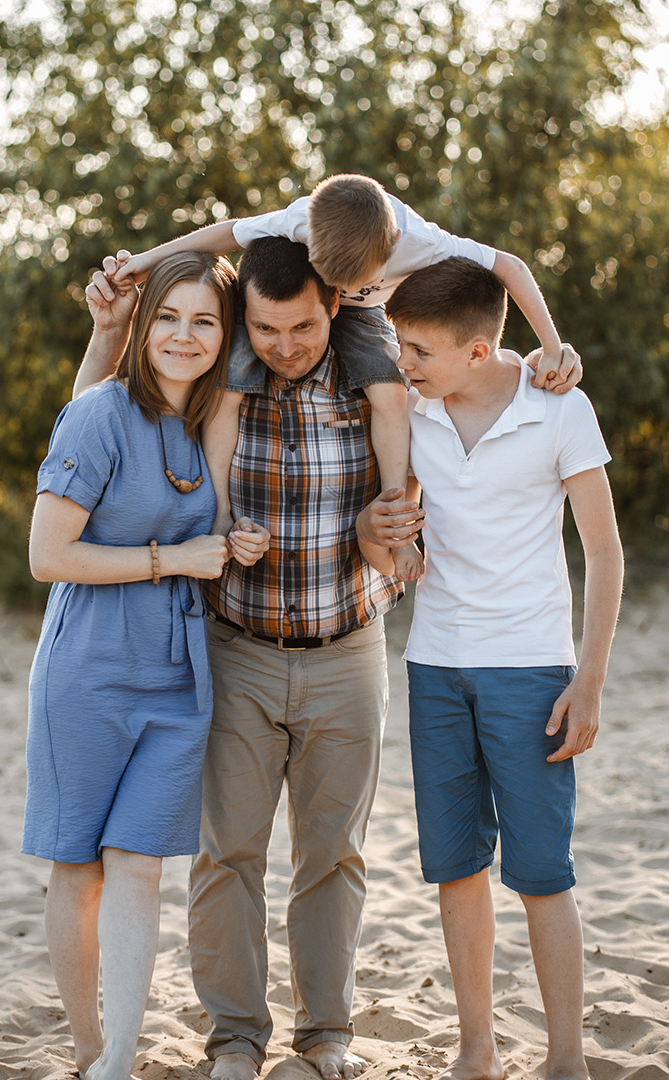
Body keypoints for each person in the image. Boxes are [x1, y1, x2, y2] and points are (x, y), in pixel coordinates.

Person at [78, 238, 582, 1080]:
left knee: (332, 856)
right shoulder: (214, 384)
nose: (285, 344)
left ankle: (325, 1038)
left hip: (350, 650)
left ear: (336, 306)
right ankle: (235, 1039)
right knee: (228, 853)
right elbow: (97, 423)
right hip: (235, 646)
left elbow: (429, 481)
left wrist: (546, 359)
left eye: (303, 326)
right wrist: (109, 329)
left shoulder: (389, 382)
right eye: (268, 329)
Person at [356, 257, 624, 1080]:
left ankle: (567, 1059)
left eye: (419, 350)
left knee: (543, 873)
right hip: (435, 665)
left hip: (533, 670)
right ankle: (478, 1048)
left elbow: (606, 555)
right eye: (399, 345)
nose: (402, 362)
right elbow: (381, 539)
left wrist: (590, 681)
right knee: (456, 868)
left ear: (477, 352)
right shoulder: (410, 412)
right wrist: (381, 534)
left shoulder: (559, 408)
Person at [23, 251, 270, 1080]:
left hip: (179, 677)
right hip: (87, 670)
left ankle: (120, 1058)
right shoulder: (98, 414)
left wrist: (232, 546)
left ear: (225, 335)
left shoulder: (211, 423)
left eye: (205, 321)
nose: (184, 335)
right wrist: (176, 558)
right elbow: (48, 556)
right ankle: (90, 1048)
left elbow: (208, 538)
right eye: (168, 315)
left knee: (139, 862)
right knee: (79, 862)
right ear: (142, 321)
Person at [104, 174, 578, 581]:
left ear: (390, 248)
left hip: (367, 318)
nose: (348, 289)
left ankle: (397, 527)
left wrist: (553, 346)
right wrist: (148, 260)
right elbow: (226, 234)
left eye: (357, 278)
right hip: (300, 307)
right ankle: (221, 511)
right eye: (340, 279)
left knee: (391, 391)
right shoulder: (297, 218)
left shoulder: (423, 240)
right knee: (230, 383)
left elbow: (510, 267)